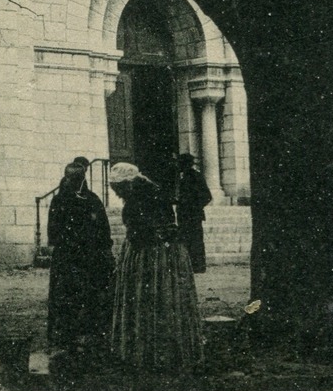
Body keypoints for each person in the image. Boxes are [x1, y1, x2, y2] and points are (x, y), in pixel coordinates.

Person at [108, 161, 203, 372]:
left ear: (129, 183)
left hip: (154, 253)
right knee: (157, 298)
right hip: (157, 250)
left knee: (153, 298)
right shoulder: (149, 192)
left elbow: (148, 229)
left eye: (119, 189)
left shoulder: (141, 197)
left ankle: (150, 352)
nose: (118, 194)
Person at [46, 159, 114, 361]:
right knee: (67, 296)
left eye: (77, 178)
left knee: (90, 295)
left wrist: (103, 248)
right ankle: (65, 336)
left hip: (89, 257)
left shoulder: (92, 200)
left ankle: (88, 335)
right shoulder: (59, 201)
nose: (73, 181)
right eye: (71, 177)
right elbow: (53, 232)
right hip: (68, 258)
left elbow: (103, 228)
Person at [173, 152, 213, 274]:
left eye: (180, 163)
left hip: (193, 215)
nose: (178, 165)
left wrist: (193, 206)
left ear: (185, 164)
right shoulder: (181, 177)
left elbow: (207, 196)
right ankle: (189, 266)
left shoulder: (196, 176)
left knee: (195, 240)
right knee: (185, 240)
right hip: (184, 215)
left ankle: (199, 266)